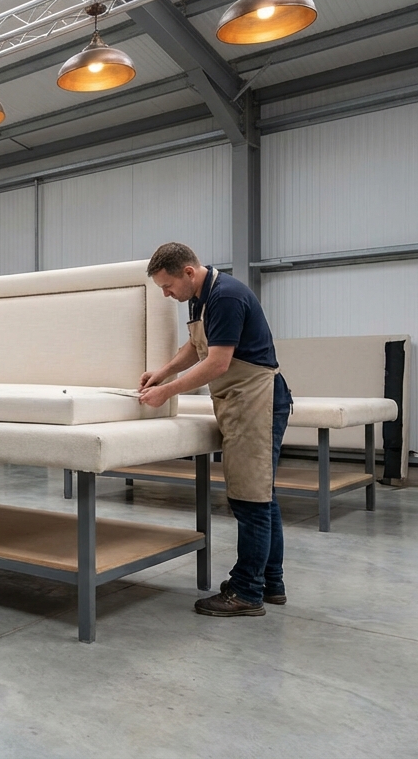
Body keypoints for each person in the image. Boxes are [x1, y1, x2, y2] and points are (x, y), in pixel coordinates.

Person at [138, 243, 293, 617]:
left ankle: (247, 592)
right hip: (240, 400)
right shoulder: (199, 297)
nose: (166, 294)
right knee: (261, 495)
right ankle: (270, 582)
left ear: (189, 272)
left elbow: (218, 363)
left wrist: (167, 392)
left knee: (250, 499)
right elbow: (198, 346)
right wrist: (163, 372)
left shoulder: (225, 296)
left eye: (168, 286)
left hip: (256, 400)